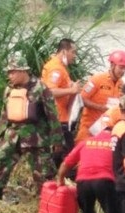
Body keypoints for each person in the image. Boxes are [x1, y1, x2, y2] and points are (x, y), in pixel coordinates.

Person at [0, 52, 63, 200]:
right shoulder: (9, 89)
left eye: (12, 72)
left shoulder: (41, 88)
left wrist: (57, 140)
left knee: (44, 173)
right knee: (0, 160)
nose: (10, 75)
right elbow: (4, 115)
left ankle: (49, 202)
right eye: (8, 72)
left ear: (22, 71)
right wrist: (0, 138)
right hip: (13, 136)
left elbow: (52, 115)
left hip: (37, 139)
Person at [56, 125, 120, 213]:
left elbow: (66, 164)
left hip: (83, 181)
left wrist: (60, 180)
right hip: (105, 181)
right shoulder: (115, 143)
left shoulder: (86, 142)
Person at [41, 38, 81, 167]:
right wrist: (72, 89)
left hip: (59, 116)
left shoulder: (58, 66)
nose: (74, 56)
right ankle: (59, 179)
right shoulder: (56, 69)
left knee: (61, 153)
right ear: (64, 52)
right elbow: (50, 91)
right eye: (73, 52)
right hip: (57, 117)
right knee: (66, 154)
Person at [76, 50, 125, 144]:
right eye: (121, 67)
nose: (123, 71)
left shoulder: (122, 85)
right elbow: (81, 99)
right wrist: (101, 108)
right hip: (89, 128)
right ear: (112, 65)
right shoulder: (97, 80)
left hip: (107, 130)